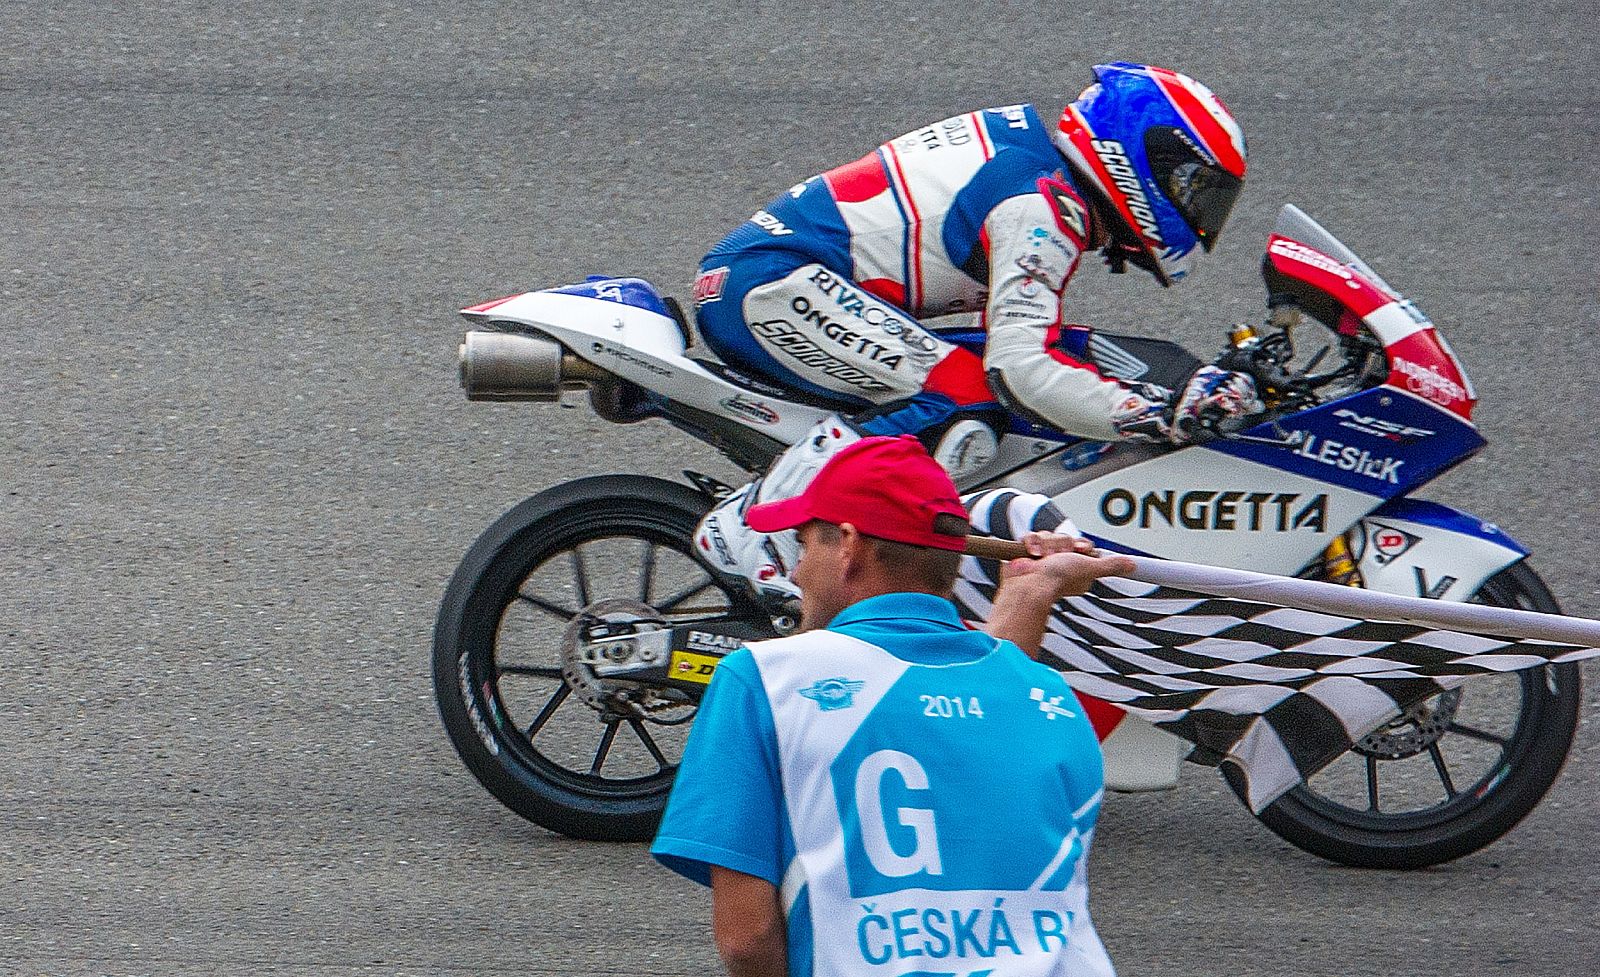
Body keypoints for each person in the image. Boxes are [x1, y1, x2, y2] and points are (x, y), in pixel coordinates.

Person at [692, 62, 1258, 603]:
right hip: (767, 282)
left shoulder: (1039, 174)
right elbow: (1022, 367)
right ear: (1141, 154)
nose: (1199, 213)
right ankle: (753, 527)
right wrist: (1149, 412)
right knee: (968, 392)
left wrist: (1168, 384)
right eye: (1194, 189)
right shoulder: (1037, 204)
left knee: (1008, 373)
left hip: (780, 279)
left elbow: (1039, 345)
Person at [651, 435, 1137, 977]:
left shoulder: (762, 680)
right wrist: (1029, 595)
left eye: (805, 546)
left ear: (850, 545)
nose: (795, 572)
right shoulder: (1051, 699)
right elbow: (976, 708)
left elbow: (748, 937)